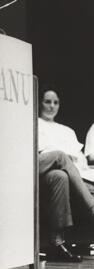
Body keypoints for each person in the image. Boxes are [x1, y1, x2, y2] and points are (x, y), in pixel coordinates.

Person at [38, 86, 94, 263]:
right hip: (38, 169)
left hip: (59, 174)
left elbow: (81, 162)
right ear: (39, 103)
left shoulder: (67, 131)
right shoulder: (34, 123)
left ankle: (57, 242)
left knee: (60, 177)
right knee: (61, 156)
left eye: (55, 102)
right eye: (47, 101)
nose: (51, 106)